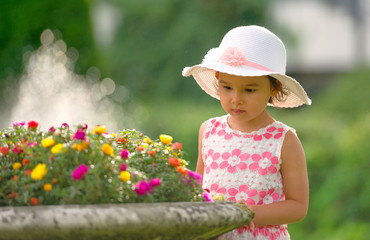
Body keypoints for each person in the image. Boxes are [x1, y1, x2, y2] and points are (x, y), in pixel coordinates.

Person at [182, 25, 311, 239]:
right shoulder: (209, 130)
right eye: (227, 87)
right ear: (217, 79)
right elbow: (199, 191)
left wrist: (248, 213)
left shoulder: (283, 140)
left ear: (274, 88)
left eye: (249, 90)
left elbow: (298, 206)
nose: (236, 99)